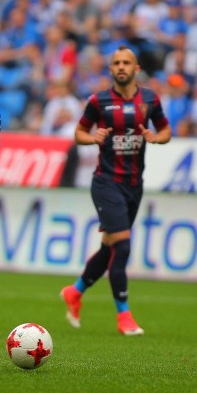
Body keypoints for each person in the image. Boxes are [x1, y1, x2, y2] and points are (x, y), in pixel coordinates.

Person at [60, 46, 171, 336]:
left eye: (126, 63)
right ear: (110, 69)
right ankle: (124, 316)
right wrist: (92, 137)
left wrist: (155, 137)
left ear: (136, 69)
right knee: (122, 244)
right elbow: (79, 133)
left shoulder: (150, 99)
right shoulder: (99, 101)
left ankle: (75, 291)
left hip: (135, 185)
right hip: (106, 182)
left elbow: (166, 130)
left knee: (110, 247)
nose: (121, 67)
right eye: (116, 63)